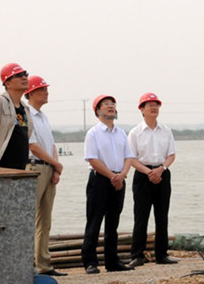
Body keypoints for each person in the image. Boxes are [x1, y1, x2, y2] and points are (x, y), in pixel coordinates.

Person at [81, 95, 134, 274]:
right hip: (100, 180)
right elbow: (92, 159)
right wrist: (113, 176)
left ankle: (112, 261)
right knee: (94, 221)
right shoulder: (93, 133)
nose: (111, 106)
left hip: (119, 179)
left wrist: (122, 175)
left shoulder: (121, 133)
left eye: (112, 104)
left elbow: (129, 157)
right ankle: (90, 262)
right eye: (106, 104)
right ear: (98, 111)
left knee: (113, 222)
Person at [127, 92, 178, 266]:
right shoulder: (135, 132)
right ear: (142, 109)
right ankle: (137, 255)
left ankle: (162, 254)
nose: (154, 107)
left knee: (162, 216)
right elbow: (131, 158)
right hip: (143, 175)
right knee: (141, 216)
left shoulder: (166, 130)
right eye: (150, 105)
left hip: (163, 173)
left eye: (156, 105)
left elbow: (171, 155)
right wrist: (149, 172)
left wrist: (161, 169)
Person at [25, 75, 67, 278]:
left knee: (45, 219)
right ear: (31, 93)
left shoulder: (43, 117)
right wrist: (56, 164)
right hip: (34, 167)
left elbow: (51, 145)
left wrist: (56, 168)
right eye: (42, 89)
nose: (46, 92)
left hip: (48, 168)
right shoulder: (26, 115)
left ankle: (43, 264)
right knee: (30, 218)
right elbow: (33, 146)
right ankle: (26, 263)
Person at [0, 62, 36, 169]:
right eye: (18, 75)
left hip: (20, 168)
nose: (24, 78)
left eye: (25, 74)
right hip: (1, 167)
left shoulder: (25, 108)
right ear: (7, 83)